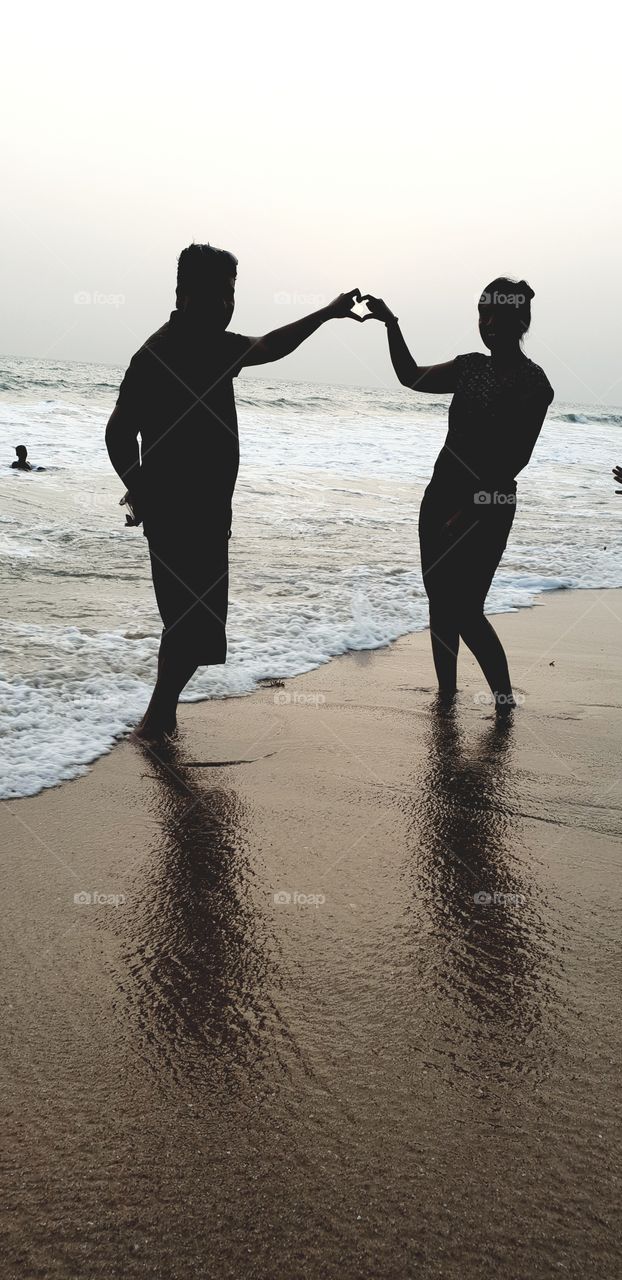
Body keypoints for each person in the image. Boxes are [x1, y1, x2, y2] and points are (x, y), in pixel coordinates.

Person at [105, 242, 362, 743]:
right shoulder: (165, 352)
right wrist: (140, 488)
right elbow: (118, 434)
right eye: (219, 294)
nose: (228, 305)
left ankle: (161, 717)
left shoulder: (201, 345)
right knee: (190, 622)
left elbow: (269, 345)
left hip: (202, 510)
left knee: (194, 622)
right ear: (184, 294)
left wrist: (329, 314)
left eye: (232, 294)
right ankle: (156, 720)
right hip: (180, 512)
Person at [362, 277, 554, 713]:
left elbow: (515, 459)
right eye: (482, 314)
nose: (487, 324)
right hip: (441, 494)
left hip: (491, 504)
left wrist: (470, 512)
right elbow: (411, 377)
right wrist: (391, 324)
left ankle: (504, 702)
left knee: (466, 607)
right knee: (439, 601)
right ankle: (446, 694)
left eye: (498, 316)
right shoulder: (469, 367)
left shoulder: (534, 384)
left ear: (520, 321)